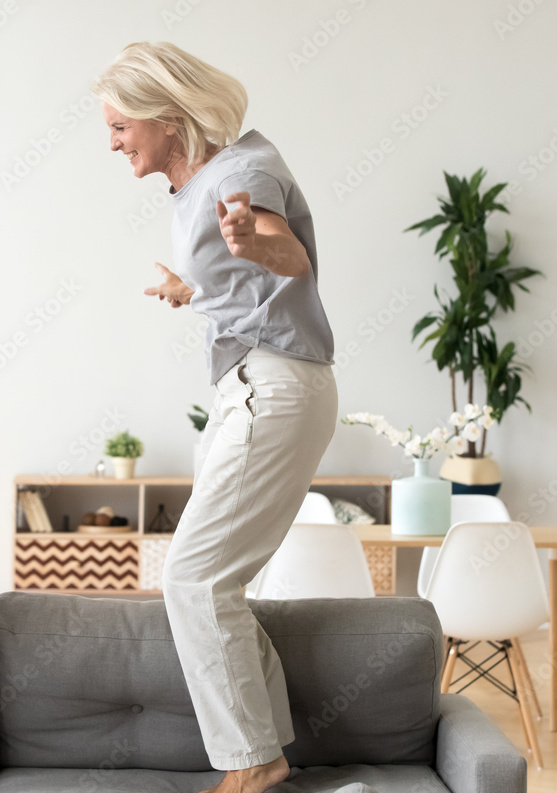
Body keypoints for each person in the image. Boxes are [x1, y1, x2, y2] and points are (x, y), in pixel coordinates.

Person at [92, 42, 338, 793]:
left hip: (272, 387)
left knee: (193, 579)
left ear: (167, 116)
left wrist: (255, 238)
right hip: (258, 385)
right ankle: (265, 752)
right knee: (215, 583)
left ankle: (252, 762)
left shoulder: (239, 174)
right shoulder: (205, 181)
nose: (112, 142)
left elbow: (286, 255)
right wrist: (189, 292)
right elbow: (250, 294)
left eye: (120, 125)